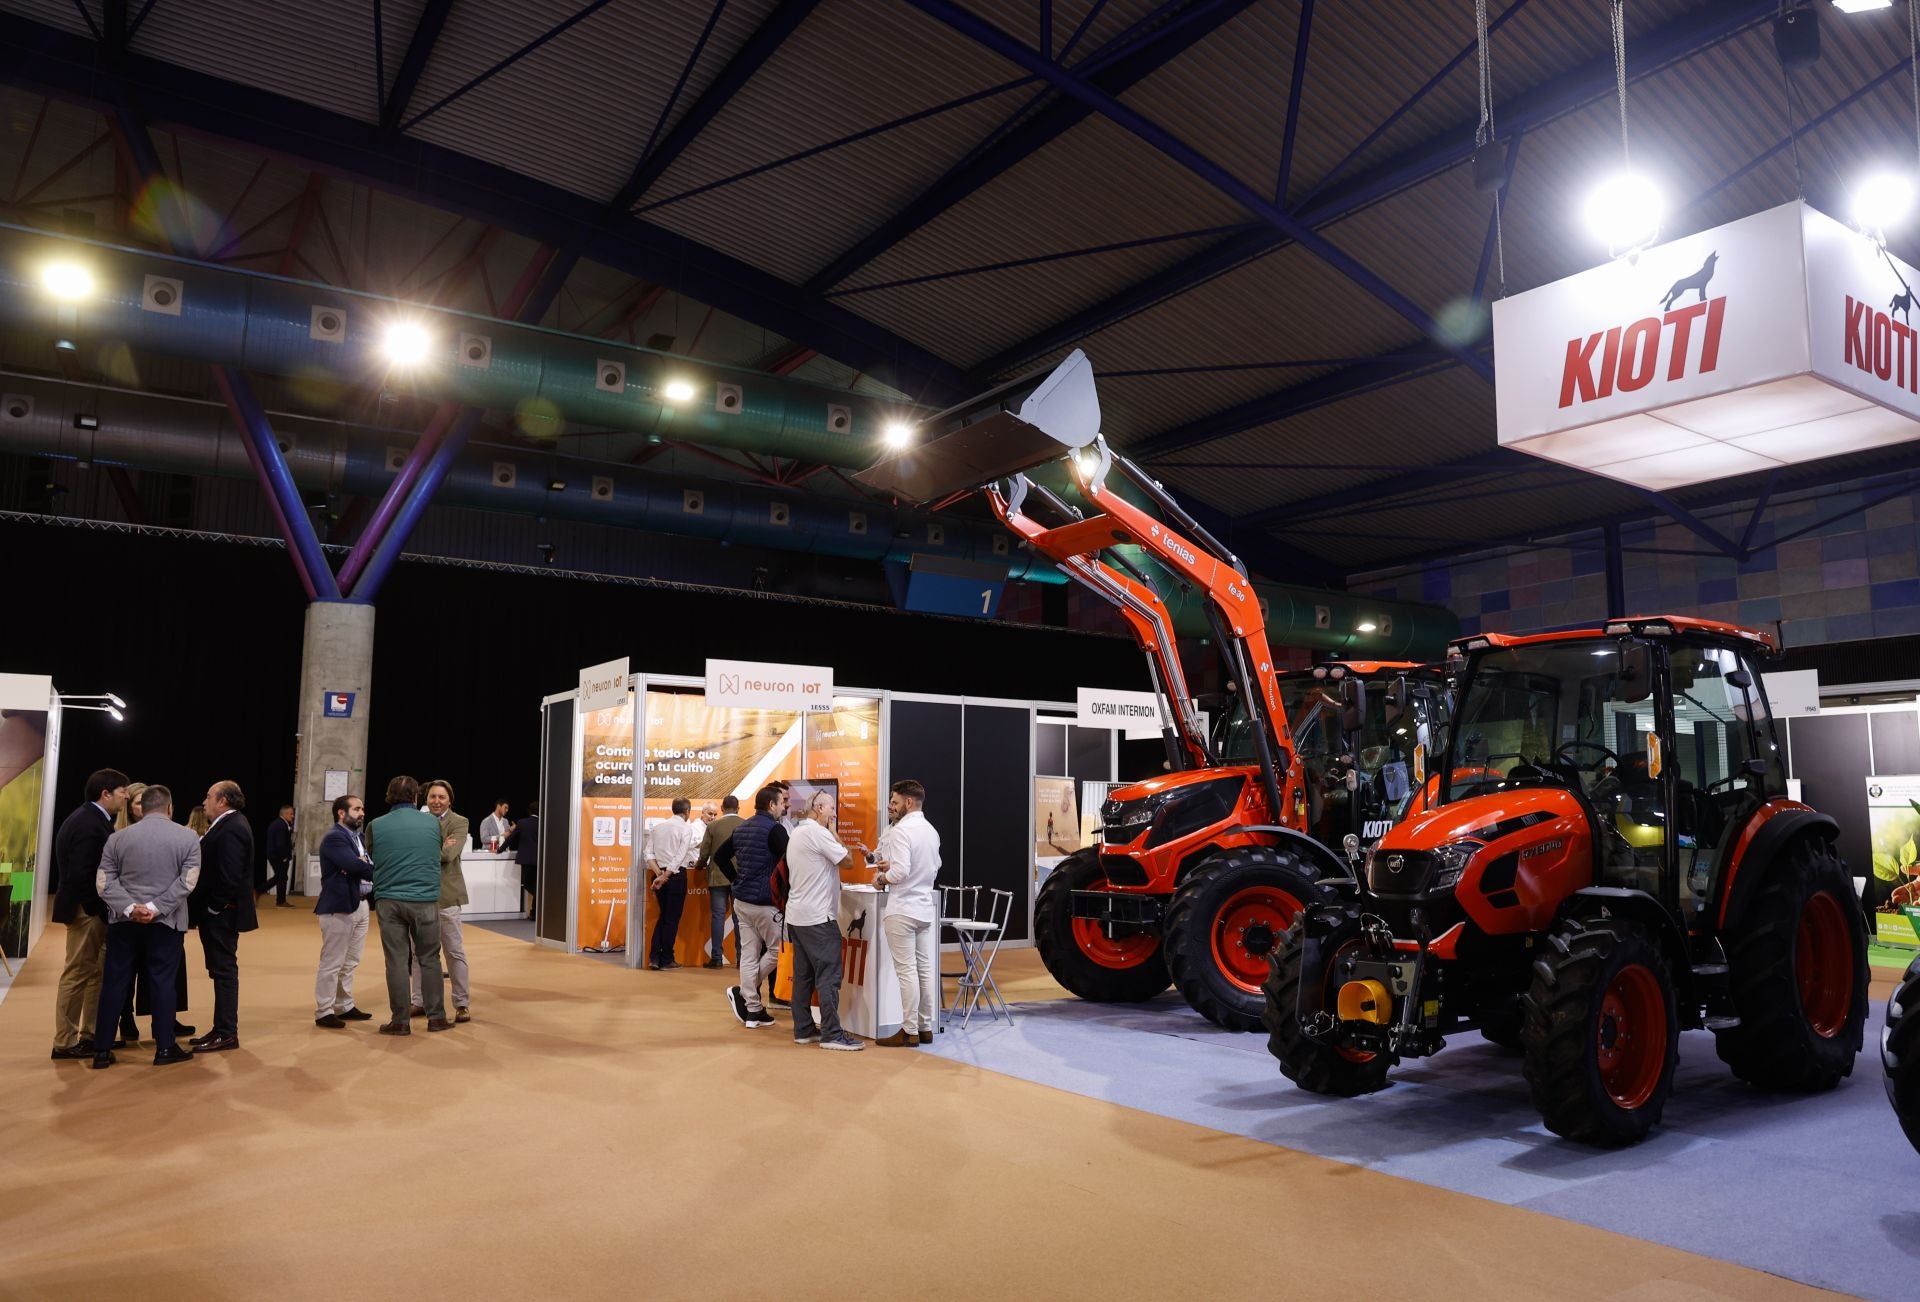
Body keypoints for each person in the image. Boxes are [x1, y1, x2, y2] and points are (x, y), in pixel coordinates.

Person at [89, 784, 200, 1069]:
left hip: (124, 924)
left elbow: (104, 882)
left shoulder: (117, 838)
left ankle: (101, 1050)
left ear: (142, 807)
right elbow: (187, 883)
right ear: (169, 807)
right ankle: (165, 1047)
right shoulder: (188, 838)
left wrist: (130, 908)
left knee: (114, 983)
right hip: (167, 923)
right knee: (163, 983)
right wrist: (154, 908)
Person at [49, 768, 128, 1061]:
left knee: (93, 972)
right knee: (78, 973)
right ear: (105, 793)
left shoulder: (91, 819)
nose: (125, 797)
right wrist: (96, 909)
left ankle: (89, 1035)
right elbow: (82, 875)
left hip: (88, 910)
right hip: (86, 912)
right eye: (122, 792)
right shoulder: (89, 824)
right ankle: (65, 1041)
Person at [364, 775, 451, 1035]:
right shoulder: (433, 824)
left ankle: (400, 1021)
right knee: (430, 959)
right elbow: (437, 853)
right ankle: (436, 1018)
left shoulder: (375, 825)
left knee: (397, 962)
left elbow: (372, 855)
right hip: (424, 901)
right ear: (416, 797)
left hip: (389, 900)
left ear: (389, 796)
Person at [114, 782, 193, 1047]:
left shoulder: (174, 834)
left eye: (142, 802)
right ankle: (126, 1020)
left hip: (163, 917)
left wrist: (154, 908)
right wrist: (133, 907)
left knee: (163, 974)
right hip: (129, 918)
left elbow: (181, 878)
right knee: (127, 973)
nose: (139, 806)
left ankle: (165, 1022)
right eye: (135, 802)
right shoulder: (119, 835)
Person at [785, 789, 863, 1051]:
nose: (835, 813)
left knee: (803, 975)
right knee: (829, 975)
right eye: (831, 808)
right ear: (819, 808)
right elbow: (849, 860)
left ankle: (804, 1029)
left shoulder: (797, 831)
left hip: (797, 916)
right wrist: (833, 831)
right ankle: (831, 1033)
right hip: (818, 918)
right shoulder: (818, 833)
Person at [189, 779, 258, 1053]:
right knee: (220, 971)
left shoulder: (232, 827)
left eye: (209, 796)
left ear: (223, 801)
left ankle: (227, 1033)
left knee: (224, 971)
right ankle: (221, 1029)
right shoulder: (229, 824)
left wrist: (213, 907)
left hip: (222, 914)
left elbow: (229, 875)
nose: (204, 802)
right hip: (219, 912)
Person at [873, 779, 941, 1047]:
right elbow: (934, 866)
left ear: (908, 803)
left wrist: (880, 878)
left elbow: (900, 873)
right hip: (924, 908)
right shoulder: (931, 831)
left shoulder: (901, 831)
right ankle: (925, 1028)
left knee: (907, 971)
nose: (893, 805)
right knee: (924, 969)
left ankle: (909, 1030)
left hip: (902, 908)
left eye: (895, 801)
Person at [718, 785, 788, 1029]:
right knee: (779, 950)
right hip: (767, 904)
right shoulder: (776, 830)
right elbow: (791, 863)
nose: (784, 807)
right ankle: (745, 995)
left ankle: (753, 1010)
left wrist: (736, 878)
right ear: (771, 805)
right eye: (781, 803)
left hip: (742, 901)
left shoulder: (742, 827)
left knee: (748, 955)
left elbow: (719, 856)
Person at [409, 780, 471, 1022]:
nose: (436, 801)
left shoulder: (459, 822)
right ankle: (418, 1001)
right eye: (432, 796)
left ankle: (461, 1003)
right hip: (420, 897)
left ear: (449, 800)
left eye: (441, 797)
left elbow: (448, 854)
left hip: (447, 897)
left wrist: (421, 849)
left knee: (454, 952)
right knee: (418, 954)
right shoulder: (418, 821)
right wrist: (436, 845)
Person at [313, 793, 374, 1028]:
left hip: (360, 903)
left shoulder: (357, 837)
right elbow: (354, 865)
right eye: (357, 809)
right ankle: (324, 1011)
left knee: (351, 961)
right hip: (338, 907)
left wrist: (363, 865)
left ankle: (344, 1005)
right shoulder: (334, 838)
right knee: (332, 962)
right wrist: (374, 870)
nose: (362, 813)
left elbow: (360, 864)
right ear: (341, 813)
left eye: (362, 809)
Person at [645, 798, 700, 970]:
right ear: (687, 811)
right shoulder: (686, 828)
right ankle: (667, 959)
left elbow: (648, 853)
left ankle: (654, 958)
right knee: (672, 919)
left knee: (664, 916)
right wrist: (665, 875)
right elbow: (680, 856)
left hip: (659, 874)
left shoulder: (658, 827)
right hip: (675, 877)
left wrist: (659, 874)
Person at [695, 796, 741, 969]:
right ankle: (741, 958)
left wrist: (699, 866)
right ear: (738, 808)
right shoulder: (745, 824)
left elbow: (704, 853)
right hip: (739, 877)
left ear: (722, 808)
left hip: (717, 876)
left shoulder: (713, 826)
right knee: (739, 918)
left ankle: (716, 958)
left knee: (718, 916)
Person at [503, 802, 539, 920]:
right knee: (537, 885)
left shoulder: (522, 823)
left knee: (528, 884)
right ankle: (534, 913)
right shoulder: (543, 823)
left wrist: (499, 849)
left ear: (529, 811)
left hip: (526, 859)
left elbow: (511, 838)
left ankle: (539, 905)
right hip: (540, 860)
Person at [262, 804, 296, 906]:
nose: (293, 816)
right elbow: (280, 843)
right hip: (278, 857)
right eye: (291, 814)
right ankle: (259, 891)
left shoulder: (279, 823)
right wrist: (284, 856)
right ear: (284, 814)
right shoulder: (281, 825)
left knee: (281, 877)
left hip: (275, 856)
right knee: (280, 877)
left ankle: (280, 900)